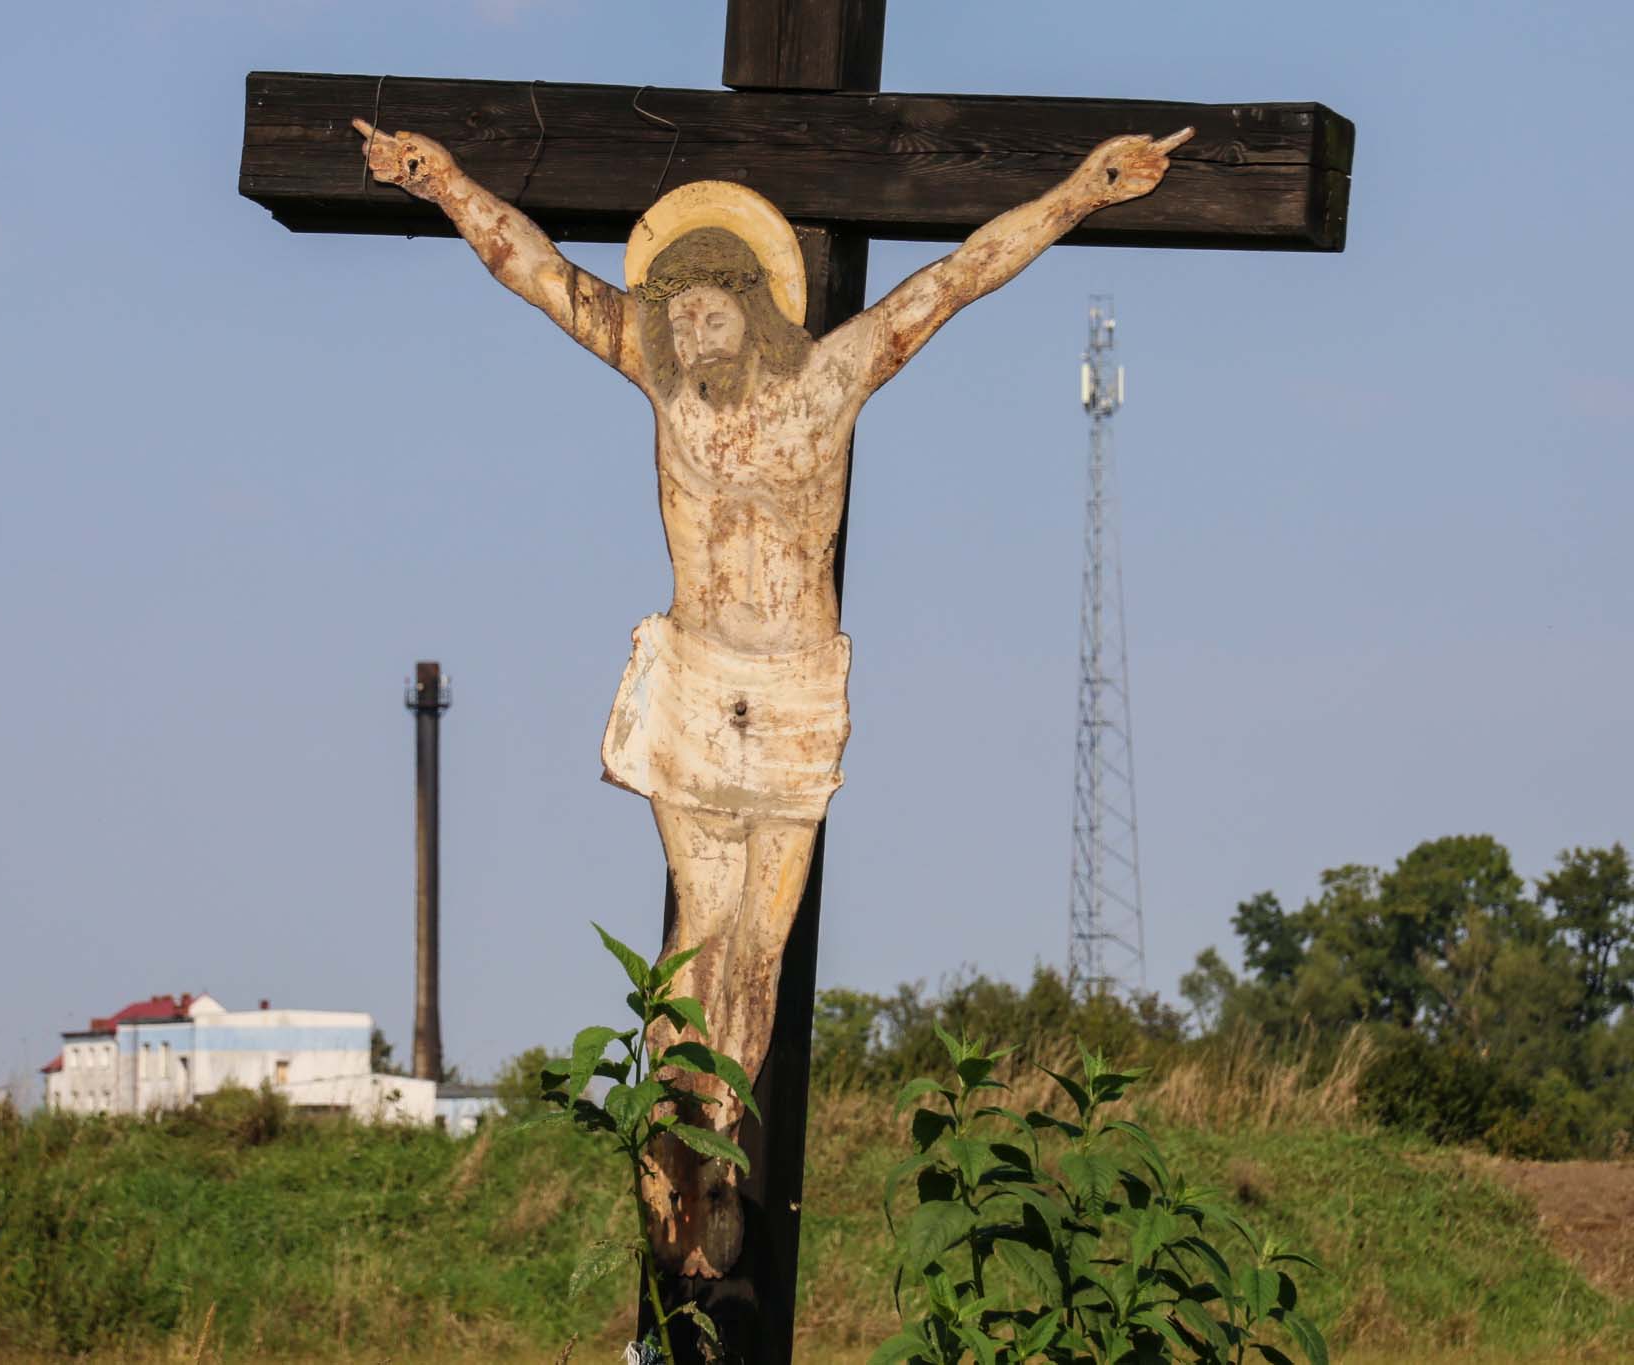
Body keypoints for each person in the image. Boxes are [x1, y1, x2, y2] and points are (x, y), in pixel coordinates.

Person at [353, 116, 1189, 1277]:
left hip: (792, 690)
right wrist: (441, 181)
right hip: (698, 680)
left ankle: (715, 1150)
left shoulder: (833, 378)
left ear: (756, 307)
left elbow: (956, 279)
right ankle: (669, 1154)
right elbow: (536, 271)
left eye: (709, 314)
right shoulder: (654, 373)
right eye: (675, 316)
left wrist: (1082, 191)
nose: (689, 335)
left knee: (760, 950)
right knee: (696, 934)